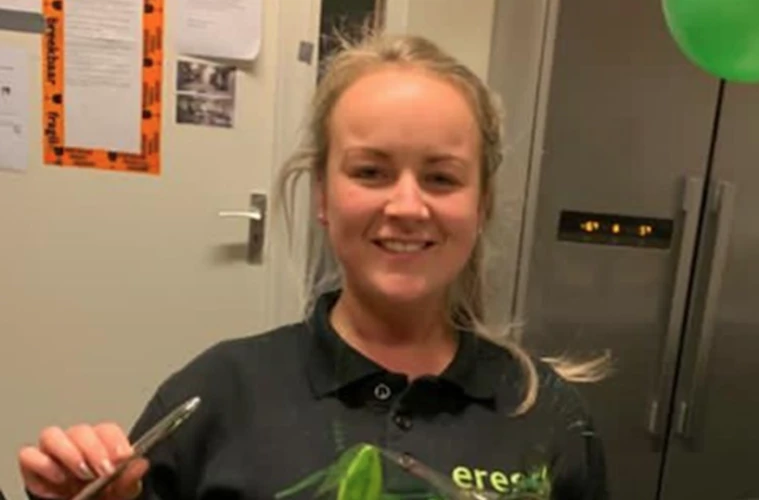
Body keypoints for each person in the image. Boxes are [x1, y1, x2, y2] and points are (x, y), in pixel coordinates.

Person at [18, 32, 609, 500]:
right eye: (370, 172)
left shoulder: (546, 414)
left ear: (482, 204)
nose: (407, 206)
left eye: (441, 177)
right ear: (323, 196)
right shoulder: (219, 393)